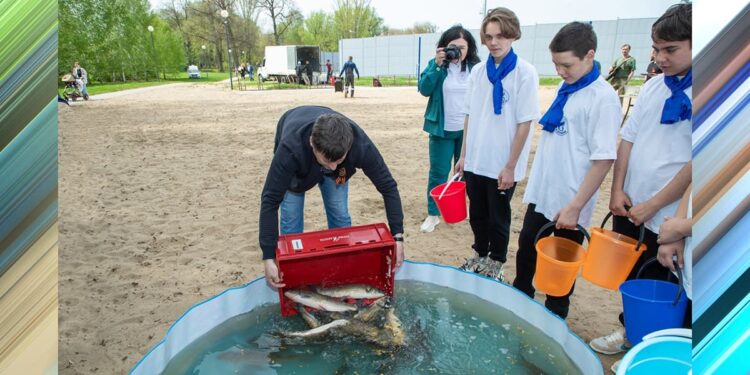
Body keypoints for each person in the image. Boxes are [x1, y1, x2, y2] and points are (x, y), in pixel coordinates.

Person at [589, 5, 692, 370]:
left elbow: (698, 163)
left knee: (665, 288)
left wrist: (655, 206)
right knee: (633, 279)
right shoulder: (652, 88)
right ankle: (629, 332)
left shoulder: (711, 90)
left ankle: (654, 351)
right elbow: (627, 140)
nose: (661, 58)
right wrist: (617, 190)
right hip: (631, 205)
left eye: (671, 50)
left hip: (668, 216)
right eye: (657, 49)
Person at [512, 21, 621, 318]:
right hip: (544, 193)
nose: (560, 71)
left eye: (566, 65)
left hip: (570, 200)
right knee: (526, 253)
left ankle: (554, 322)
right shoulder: (568, 87)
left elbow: (603, 159)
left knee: (558, 271)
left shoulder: (603, 98)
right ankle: (518, 308)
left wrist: (574, 206)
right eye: (556, 64)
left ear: (589, 55)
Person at [259, 106, 405, 288]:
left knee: (339, 212)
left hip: (332, 155)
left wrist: (398, 237)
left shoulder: (359, 145)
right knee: (291, 220)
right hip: (299, 166)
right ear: (312, 142)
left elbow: (388, 187)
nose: (334, 167)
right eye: (328, 161)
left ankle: (342, 271)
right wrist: (268, 256)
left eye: (339, 159)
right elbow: (270, 200)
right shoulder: (290, 149)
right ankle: (294, 278)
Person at [452, 8, 540, 283]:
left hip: (503, 162)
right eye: (489, 37)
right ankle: (479, 254)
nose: (494, 42)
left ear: (513, 35)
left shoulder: (525, 73)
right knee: (477, 213)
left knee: (497, 216)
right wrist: (464, 155)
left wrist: (511, 166)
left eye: (500, 36)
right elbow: (469, 115)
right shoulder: (478, 72)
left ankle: (496, 261)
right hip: (477, 159)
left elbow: (526, 122)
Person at [417, 25, 481, 234]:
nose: (458, 52)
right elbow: (424, 89)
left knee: (465, 173)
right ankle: (433, 214)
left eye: (462, 47)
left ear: (469, 48)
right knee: (438, 172)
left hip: (467, 130)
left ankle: (461, 209)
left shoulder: (476, 68)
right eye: (453, 47)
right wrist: (436, 65)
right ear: (444, 47)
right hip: (441, 130)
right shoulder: (437, 65)